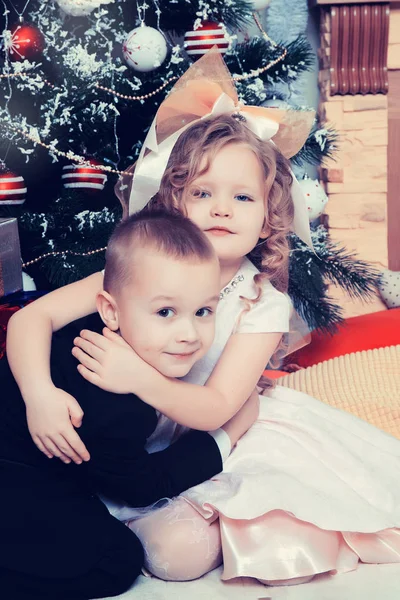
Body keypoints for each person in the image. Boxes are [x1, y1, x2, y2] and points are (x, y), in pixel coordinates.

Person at [7, 52, 400, 587]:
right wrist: (41, 396)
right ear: (174, 201)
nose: (221, 209)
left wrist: (138, 377)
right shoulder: (141, 270)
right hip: (133, 440)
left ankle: (218, 519)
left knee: (180, 556)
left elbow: (216, 405)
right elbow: (33, 318)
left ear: (269, 216)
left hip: (217, 423)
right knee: (110, 523)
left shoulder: (262, 300)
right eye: (202, 193)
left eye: (241, 197)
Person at [0, 211, 258, 600]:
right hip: (16, 478)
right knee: (116, 558)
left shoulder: (84, 327)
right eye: (165, 313)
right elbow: (144, 486)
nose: (189, 335)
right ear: (111, 310)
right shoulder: (118, 407)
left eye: (203, 312)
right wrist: (226, 433)